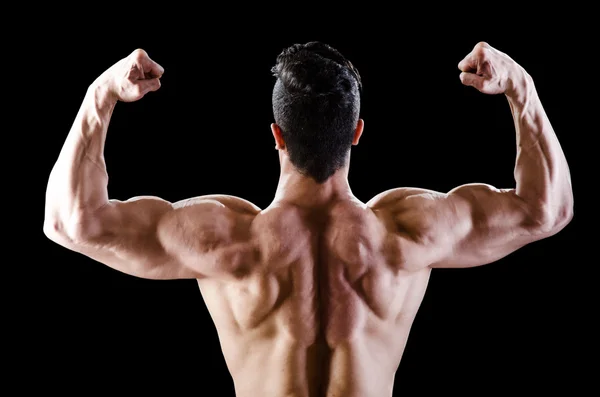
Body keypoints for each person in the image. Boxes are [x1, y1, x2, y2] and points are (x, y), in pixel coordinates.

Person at [43, 41, 573, 397]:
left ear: (276, 134)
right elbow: (547, 209)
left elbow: (69, 222)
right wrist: (519, 88)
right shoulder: (407, 233)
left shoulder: (227, 241)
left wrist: (100, 97)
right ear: (358, 132)